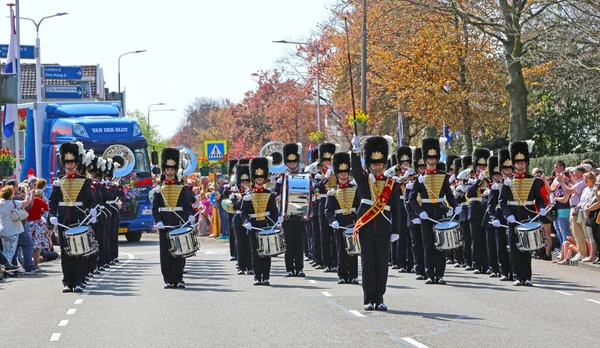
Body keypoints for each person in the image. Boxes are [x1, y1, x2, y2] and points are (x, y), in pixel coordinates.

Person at [351, 135, 401, 311]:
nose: (377, 167)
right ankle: (368, 298)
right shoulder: (364, 181)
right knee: (367, 263)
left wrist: (396, 230)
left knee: (381, 264)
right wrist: (355, 150)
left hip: (383, 227)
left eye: (380, 163)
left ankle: (379, 298)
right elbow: (355, 170)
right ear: (369, 164)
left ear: (384, 164)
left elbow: (397, 209)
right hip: (366, 227)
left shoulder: (391, 184)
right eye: (374, 163)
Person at [409, 138, 459, 285]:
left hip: (440, 212)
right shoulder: (419, 179)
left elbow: (449, 195)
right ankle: (429, 274)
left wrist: (455, 205)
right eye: (429, 157)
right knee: (427, 244)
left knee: (441, 245)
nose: (432, 160)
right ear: (425, 159)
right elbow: (411, 199)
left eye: (434, 157)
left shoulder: (443, 176)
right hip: (426, 213)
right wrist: (419, 212)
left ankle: (440, 274)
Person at [48, 142, 97, 292]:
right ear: (64, 164)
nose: (69, 166)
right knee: (66, 253)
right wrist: (52, 216)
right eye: (67, 163)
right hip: (64, 221)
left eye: (72, 163)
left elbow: (90, 200)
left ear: (77, 164)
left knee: (79, 253)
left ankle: (79, 281)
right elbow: (53, 201)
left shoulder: (84, 181)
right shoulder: (58, 182)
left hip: (79, 220)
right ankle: (67, 282)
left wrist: (93, 210)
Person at [498, 141, 546, 286]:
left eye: (522, 162)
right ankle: (517, 276)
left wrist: (542, 208)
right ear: (514, 163)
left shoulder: (534, 181)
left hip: (528, 216)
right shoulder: (507, 182)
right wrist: (507, 215)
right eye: (517, 162)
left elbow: (539, 199)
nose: (520, 165)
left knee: (527, 248)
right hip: (513, 217)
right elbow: (501, 201)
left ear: (526, 163)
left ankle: (527, 277)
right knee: (514, 248)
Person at [152, 148, 195, 289]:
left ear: (175, 170)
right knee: (165, 253)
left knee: (179, 252)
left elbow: (187, 205)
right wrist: (157, 220)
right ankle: (168, 279)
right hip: (164, 224)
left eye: (172, 169)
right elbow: (155, 208)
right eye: (167, 169)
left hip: (178, 223)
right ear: (164, 170)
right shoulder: (158, 189)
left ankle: (178, 278)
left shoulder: (182, 187)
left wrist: (190, 215)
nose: (170, 171)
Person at [241, 157, 281, 286]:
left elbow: (273, 211)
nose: (259, 180)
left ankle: (266, 276)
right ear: (253, 178)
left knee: (267, 252)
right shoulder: (248, 195)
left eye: (261, 178)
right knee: (255, 251)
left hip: (266, 225)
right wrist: (246, 221)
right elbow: (244, 212)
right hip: (253, 226)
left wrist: (278, 219)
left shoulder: (270, 194)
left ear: (264, 179)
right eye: (257, 178)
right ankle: (257, 276)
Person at [326, 151, 360, 284]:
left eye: (345, 173)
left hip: (352, 221)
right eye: (341, 173)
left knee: (353, 250)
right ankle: (342, 275)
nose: (344, 175)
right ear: (337, 174)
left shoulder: (355, 188)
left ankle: (353, 275)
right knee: (340, 249)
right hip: (339, 223)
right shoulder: (332, 191)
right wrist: (333, 221)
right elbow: (328, 211)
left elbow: (359, 206)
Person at [275, 143, 307, 277]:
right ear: (286, 162)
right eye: (289, 162)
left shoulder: (304, 175)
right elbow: (275, 193)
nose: (292, 164)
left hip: (300, 213)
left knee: (299, 243)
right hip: (286, 214)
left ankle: (299, 268)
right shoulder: (282, 177)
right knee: (288, 244)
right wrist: (278, 185)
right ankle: (289, 269)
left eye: (294, 162)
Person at [466, 148, 491, 275]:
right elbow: (469, 192)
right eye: (480, 165)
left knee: (486, 239)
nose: (482, 167)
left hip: (486, 209)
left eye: (484, 165)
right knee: (476, 239)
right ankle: (476, 264)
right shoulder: (470, 178)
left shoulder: (489, 178)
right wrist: (478, 180)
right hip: (475, 208)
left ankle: (486, 265)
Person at [0, 185, 35, 273]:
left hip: (2, 229)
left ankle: (4, 268)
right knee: (9, 252)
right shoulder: (13, 203)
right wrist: (28, 192)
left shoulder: (1, 202)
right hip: (12, 230)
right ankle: (4, 268)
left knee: (4, 250)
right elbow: (27, 202)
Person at [315, 143, 339, 273]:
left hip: (336, 203)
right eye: (325, 160)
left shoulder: (339, 172)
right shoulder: (319, 174)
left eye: (330, 160)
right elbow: (316, 188)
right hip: (323, 203)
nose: (328, 163)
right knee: (324, 236)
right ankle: (327, 263)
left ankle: (336, 262)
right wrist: (325, 177)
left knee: (335, 235)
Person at [405, 148, 426, 279]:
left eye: (424, 166)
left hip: (428, 216)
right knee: (417, 245)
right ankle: (419, 269)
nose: (423, 168)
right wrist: (413, 216)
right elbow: (408, 201)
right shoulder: (412, 181)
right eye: (420, 166)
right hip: (415, 218)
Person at [394, 146, 416, 273]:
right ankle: (401, 263)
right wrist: (403, 178)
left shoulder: (414, 175)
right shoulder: (396, 176)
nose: (406, 165)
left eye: (407, 162)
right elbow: (393, 187)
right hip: (399, 204)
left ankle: (412, 263)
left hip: (411, 206)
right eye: (403, 163)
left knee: (411, 236)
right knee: (401, 236)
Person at [231, 159, 253, 275]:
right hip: (238, 219)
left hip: (250, 219)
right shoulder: (235, 194)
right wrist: (243, 198)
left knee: (250, 244)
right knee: (240, 244)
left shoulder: (252, 193)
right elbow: (235, 207)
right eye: (243, 182)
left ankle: (250, 266)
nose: (245, 184)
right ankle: (241, 266)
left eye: (247, 181)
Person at [25, 185, 50, 271]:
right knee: (37, 246)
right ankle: (36, 265)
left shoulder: (26, 200)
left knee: (26, 246)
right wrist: (41, 211)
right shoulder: (39, 200)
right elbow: (46, 208)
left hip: (27, 224)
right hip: (38, 224)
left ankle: (27, 264)